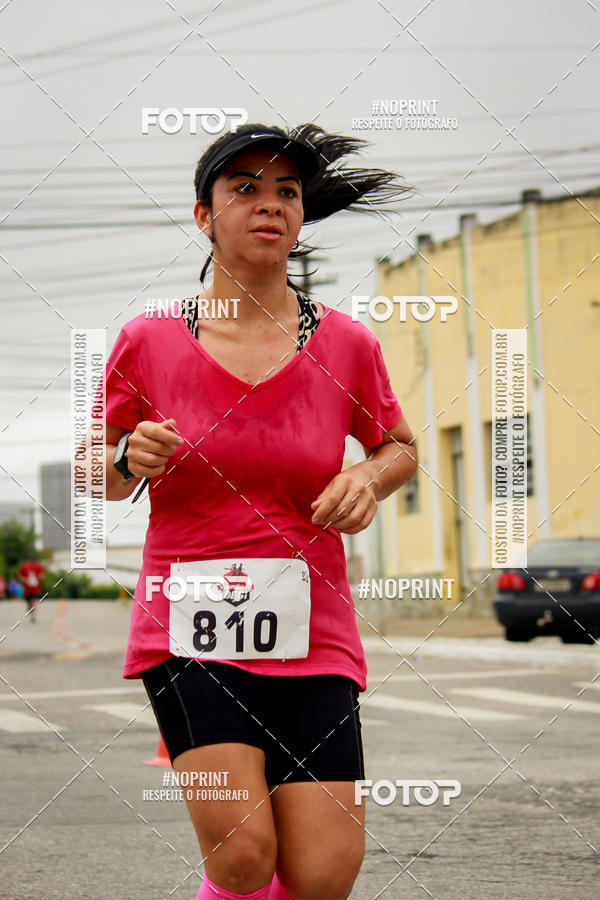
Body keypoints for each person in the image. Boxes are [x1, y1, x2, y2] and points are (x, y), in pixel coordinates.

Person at [98, 123, 418, 900]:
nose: (269, 204)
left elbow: (401, 446)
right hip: (191, 627)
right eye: (244, 188)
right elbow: (94, 477)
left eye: (287, 192)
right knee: (242, 858)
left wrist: (369, 481)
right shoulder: (147, 341)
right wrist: (121, 457)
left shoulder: (345, 345)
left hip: (315, 629)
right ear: (204, 216)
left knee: (322, 876)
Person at [17, 558, 44, 623]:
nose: (32, 563)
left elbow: (42, 574)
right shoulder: (24, 566)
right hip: (27, 589)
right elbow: (19, 574)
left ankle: (33, 616)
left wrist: (40, 576)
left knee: (33, 601)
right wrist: (23, 579)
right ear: (28, 561)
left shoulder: (38, 566)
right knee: (28, 601)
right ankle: (29, 607)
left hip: (35, 588)